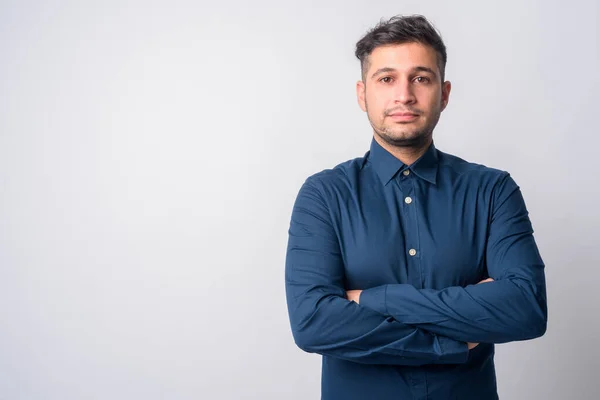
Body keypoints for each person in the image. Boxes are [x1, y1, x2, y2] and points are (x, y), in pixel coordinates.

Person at [284, 14, 547, 400]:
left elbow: (525, 309)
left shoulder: (493, 190)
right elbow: (313, 323)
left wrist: (373, 299)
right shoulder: (324, 195)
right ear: (363, 94)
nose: (404, 95)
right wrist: (451, 342)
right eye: (386, 79)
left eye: (421, 78)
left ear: (444, 93)